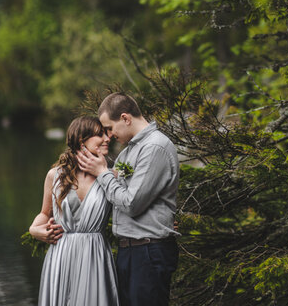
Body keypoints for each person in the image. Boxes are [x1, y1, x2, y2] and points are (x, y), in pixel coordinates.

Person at [77, 92, 179, 306]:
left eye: (109, 128)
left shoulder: (154, 147)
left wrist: (103, 173)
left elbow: (132, 204)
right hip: (131, 251)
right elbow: (114, 191)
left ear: (125, 118)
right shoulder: (128, 152)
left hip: (148, 251)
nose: (109, 136)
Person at [29, 116, 120, 306]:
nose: (107, 138)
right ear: (81, 140)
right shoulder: (55, 176)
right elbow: (45, 214)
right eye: (100, 134)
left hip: (95, 254)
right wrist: (35, 230)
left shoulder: (112, 176)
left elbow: (130, 206)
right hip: (61, 255)